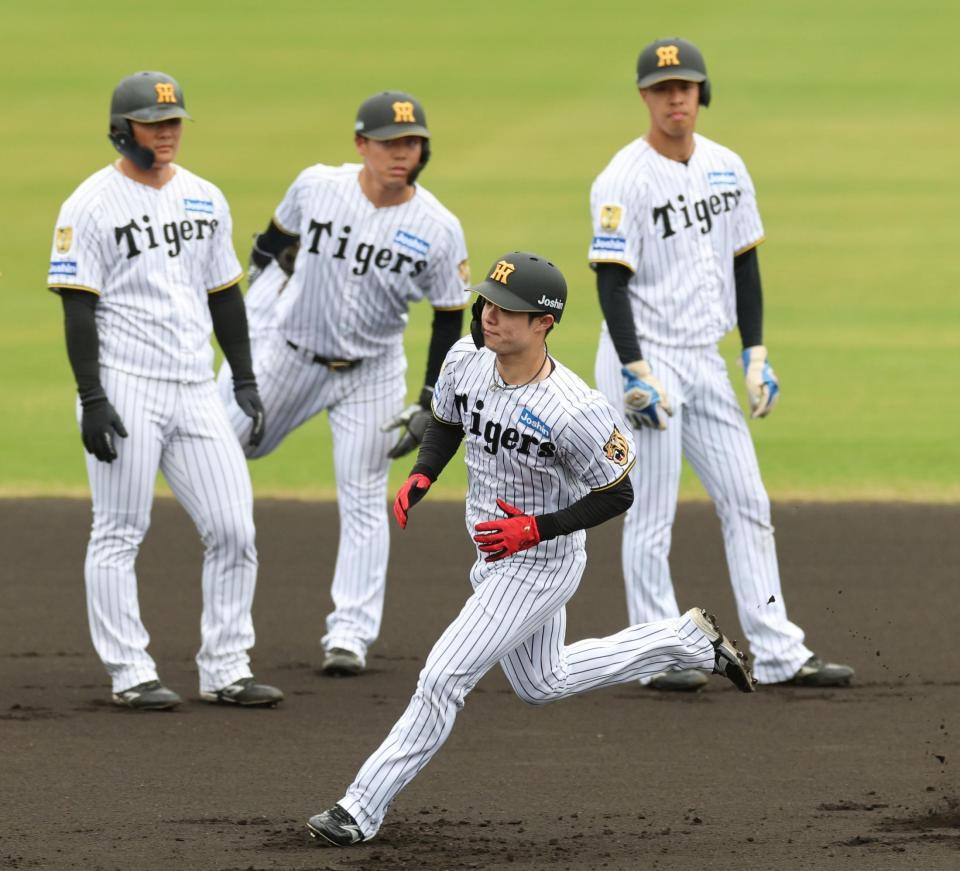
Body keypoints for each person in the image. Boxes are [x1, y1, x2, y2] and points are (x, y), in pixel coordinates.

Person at [305, 251, 756, 846]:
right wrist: (423, 474)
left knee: (442, 678)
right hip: (494, 554)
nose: (491, 316)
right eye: (489, 302)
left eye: (509, 311)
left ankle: (358, 810)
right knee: (541, 682)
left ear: (544, 323)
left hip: (540, 566)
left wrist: (536, 529)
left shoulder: (577, 409)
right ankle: (687, 641)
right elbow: (445, 419)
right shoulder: (466, 358)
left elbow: (617, 493)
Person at [588, 38, 854, 690]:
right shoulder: (622, 177)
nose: (675, 97)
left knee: (747, 500)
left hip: (703, 357)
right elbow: (610, 280)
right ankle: (659, 654)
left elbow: (744, 260)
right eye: (662, 87)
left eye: (685, 86)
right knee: (651, 514)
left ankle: (780, 649)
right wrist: (633, 368)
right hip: (645, 356)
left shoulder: (728, 167)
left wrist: (754, 349)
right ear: (645, 96)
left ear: (701, 92)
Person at [47, 71, 283, 711]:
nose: (167, 133)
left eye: (174, 122)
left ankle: (227, 666)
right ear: (122, 130)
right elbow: (77, 307)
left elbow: (224, 294)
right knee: (121, 529)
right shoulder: (90, 205)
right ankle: (129, 672)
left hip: (194, 386)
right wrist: (92, 397)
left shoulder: (204, 197)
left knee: (234, 528)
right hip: (125, 384)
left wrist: (243, 377)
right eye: (155, 124)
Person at [217, 91, 469, 677]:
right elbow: (272, 243)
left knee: (362, 498)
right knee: (214, 451)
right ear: (361, 145)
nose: (401, 154)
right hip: (288, 356)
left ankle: (349, 636)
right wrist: (253, 317)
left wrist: (431, 399)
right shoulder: (317, 186)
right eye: (389, 143)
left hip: (372, 373)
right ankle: (220, 611)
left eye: (412, 144)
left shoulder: (437, 227)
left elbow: (449, 316)